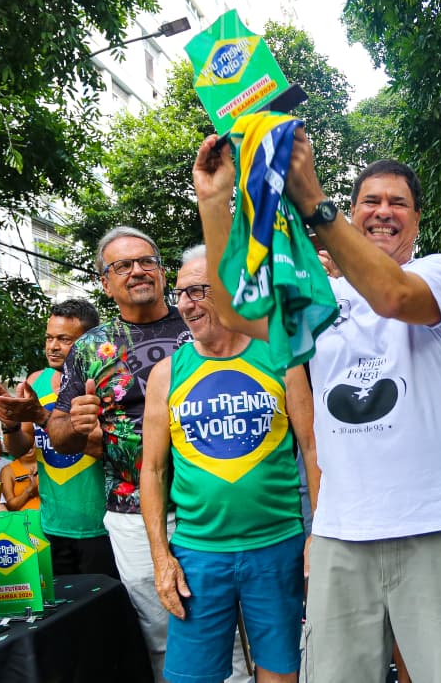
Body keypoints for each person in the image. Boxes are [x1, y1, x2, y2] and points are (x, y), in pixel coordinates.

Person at [194, 132, 441, 682]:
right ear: (353, 214)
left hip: (428, 526)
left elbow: (393, 297)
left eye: (398, 202)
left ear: (417, 219)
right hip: (340, 532)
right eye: (370, 201)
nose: (383, 211)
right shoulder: (321, 297)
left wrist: (313, 200)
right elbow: (236, 313)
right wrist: (215, 202)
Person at [141, 247, 317, 683]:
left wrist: (318, 536)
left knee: (281, 671)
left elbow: (313, 449)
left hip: (277, 546)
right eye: (181, 293)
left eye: (198, 291)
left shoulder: (281, 358)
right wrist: (161, 557)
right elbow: (153, 470)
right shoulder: (166, 374)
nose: (185, 304)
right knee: (191, 677)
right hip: (198, 553)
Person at [47, 226, 190, 681]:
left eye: (146, 261)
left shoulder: (199, 325)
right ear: (105, 283)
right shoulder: (89, 347)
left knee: (226, 628)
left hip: (209, 505)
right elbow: (59, 432)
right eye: (122, 266)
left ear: (163, 272)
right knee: (160, 630)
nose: (137, 271)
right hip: (131, 513)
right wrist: (76, 421)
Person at [0, 298, 117, 577]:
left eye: (64, 339)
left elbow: (111, 449)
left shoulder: (108, 382)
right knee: (62, 602)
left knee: (103, 601)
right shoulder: (36, 381)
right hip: (51, 524)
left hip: (102, 525)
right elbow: (20, 449)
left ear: (89, 341)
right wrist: (10, 424)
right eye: (49, 338)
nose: (53, 346)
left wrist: (43, 416)